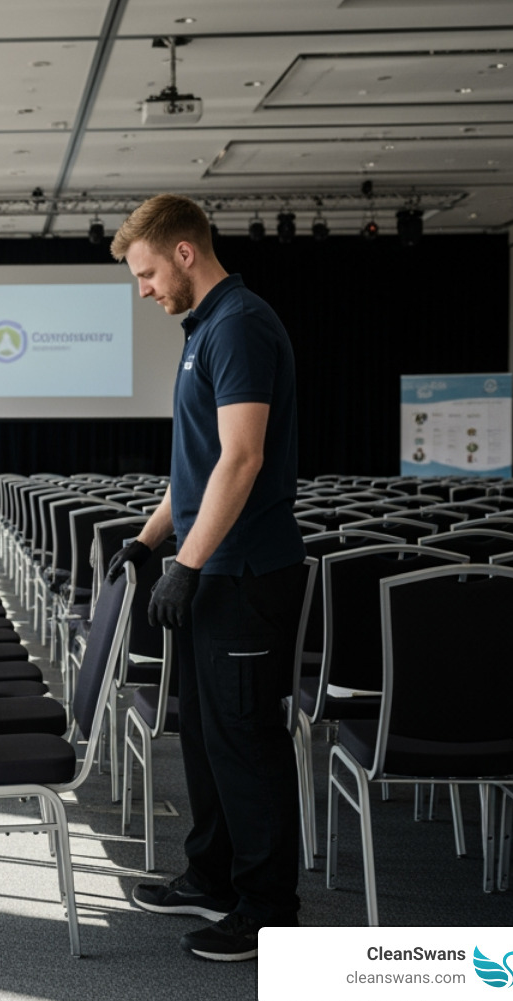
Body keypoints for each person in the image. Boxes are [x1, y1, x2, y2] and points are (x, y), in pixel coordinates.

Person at [104, 195, 308, 962]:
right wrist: (148, 539)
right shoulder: (207, 329)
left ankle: (267, 908)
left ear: (185, 252)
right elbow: (198, 467)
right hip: (210, 568)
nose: (144, 290)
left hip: (243, 573)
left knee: (246, 744)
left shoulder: (240, 325)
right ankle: (210, 876)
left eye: (148, 273)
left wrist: (187, 564)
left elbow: (243, 458)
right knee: (205, 739)